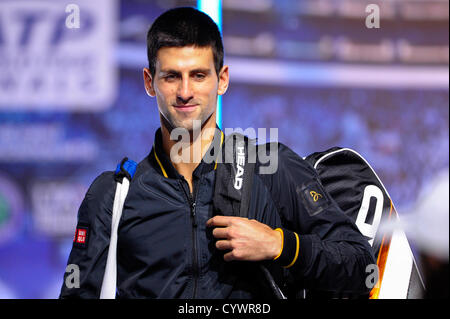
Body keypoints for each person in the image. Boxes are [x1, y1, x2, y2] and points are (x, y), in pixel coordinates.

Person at [60, 7, 375, 299]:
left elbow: (363, 270)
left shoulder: (272, 168)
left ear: (222, 79)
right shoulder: (112, 196)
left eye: (198, 75)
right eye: (171, 76)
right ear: (149, 82)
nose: (185, 92)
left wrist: (280, 245)